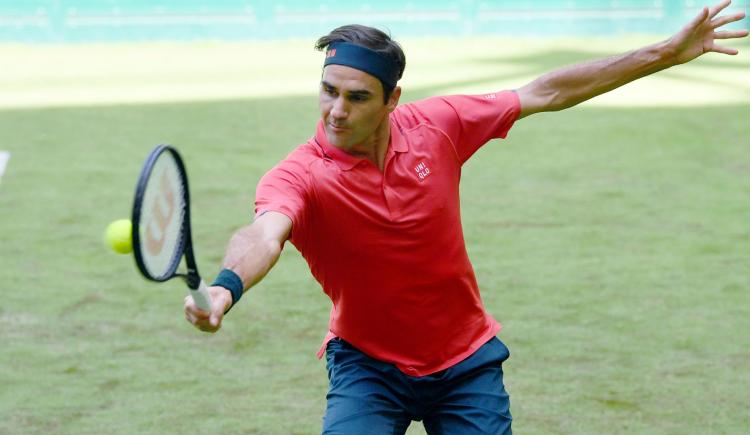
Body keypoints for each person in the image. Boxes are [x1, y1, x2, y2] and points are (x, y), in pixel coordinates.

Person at [184, 1, 747, 433]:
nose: (336, 110)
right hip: (368, 366)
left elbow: (546, 91)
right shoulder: (301, 174)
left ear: (392, 98)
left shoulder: (440, 125)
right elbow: (265, 232)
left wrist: (665, 54)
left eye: (357, 97)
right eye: (328, 92)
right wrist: (226, 288)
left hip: (465, 361)